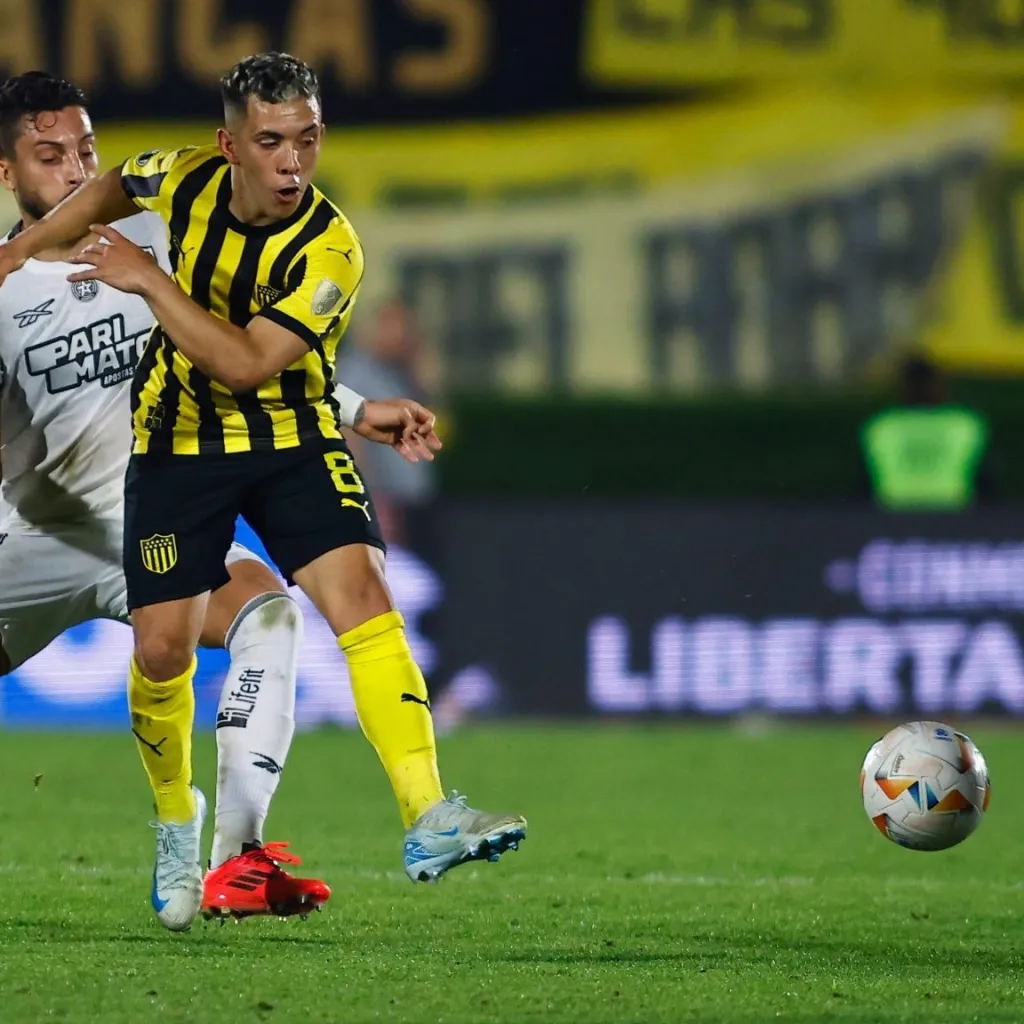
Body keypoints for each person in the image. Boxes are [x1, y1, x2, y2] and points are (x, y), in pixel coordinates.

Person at [0, 53, 527, 935]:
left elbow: (248, 354)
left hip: (204, 472)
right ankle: (180, 819)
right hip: (46, 528)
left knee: (296, 610)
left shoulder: (175, 246)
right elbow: (134, 190)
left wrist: (352, 411)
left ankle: (254, 849)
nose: (78, 169)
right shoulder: (50, 266)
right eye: (51, 155)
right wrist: (20, 252)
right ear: (7, 173)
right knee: (165, 655)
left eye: (85, 149)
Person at [859, 354, 994, 511]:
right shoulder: (965, 423)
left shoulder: (881, 426)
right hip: (955, 514)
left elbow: (863, 483)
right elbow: (986, 480)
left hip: (892, 516)